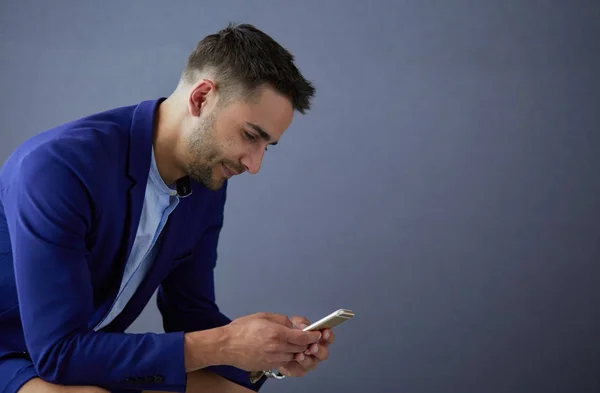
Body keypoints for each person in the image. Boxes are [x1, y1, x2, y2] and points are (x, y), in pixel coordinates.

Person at [0, 23, 336, 393]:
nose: (253, 164)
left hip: (84, 352)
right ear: (201, 97)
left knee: (233, 390)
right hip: (16, 350)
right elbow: (57, 353)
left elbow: (190, 314)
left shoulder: (206, 180)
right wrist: (227, 343)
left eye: (266, 146)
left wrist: (270, 354)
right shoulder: (59, 167)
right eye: (250, 136)